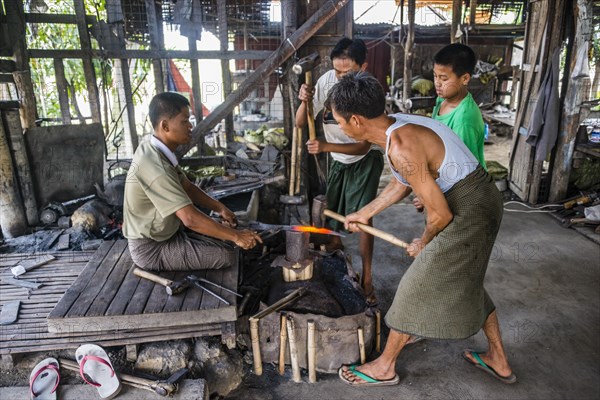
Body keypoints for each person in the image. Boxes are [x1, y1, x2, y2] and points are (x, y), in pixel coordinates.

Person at [325, 72, 515, 386]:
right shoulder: (396, 125)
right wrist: (364, 212)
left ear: (356, 120)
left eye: (339, 122)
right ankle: (499, 359)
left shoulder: (401, 145)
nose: (340, 128)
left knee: (417, 284)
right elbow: (402, 183)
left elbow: (439, 215)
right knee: (466, 280)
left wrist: (424, 242)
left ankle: (385, 367)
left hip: (471, 209)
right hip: (478, 197)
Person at [123, 92, 262, 271]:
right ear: (165, 126)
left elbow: (187, 187)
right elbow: (190, 219)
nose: (190, 126)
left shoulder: (154, 149)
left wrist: (220, 208)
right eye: (184, 121)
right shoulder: (157, 168)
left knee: (224, 234)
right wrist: (236, 237)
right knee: (227, 254)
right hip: (151, 248)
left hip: (169, 233)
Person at [295, 37, 384, 304]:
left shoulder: (367, 93)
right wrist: (304, 101)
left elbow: (361, 147)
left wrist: (324, 145)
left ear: (363, 67)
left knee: (362, 220)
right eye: (337, 70)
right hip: (336, 159)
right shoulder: (325, 81)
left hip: (365, 160)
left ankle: (367, 279)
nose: (341, 76)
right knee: (333, 218)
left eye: (347, 72)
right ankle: (336, 254)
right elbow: (301, 123)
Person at [413, 43, 487, 212]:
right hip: (444, 183)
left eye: (444, 78)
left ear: (465, 79)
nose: (437, 83)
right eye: (435, 76)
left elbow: (462, 171)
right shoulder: (443, 100)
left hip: (464, 193)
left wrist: (430, 195)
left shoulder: (464, 119)